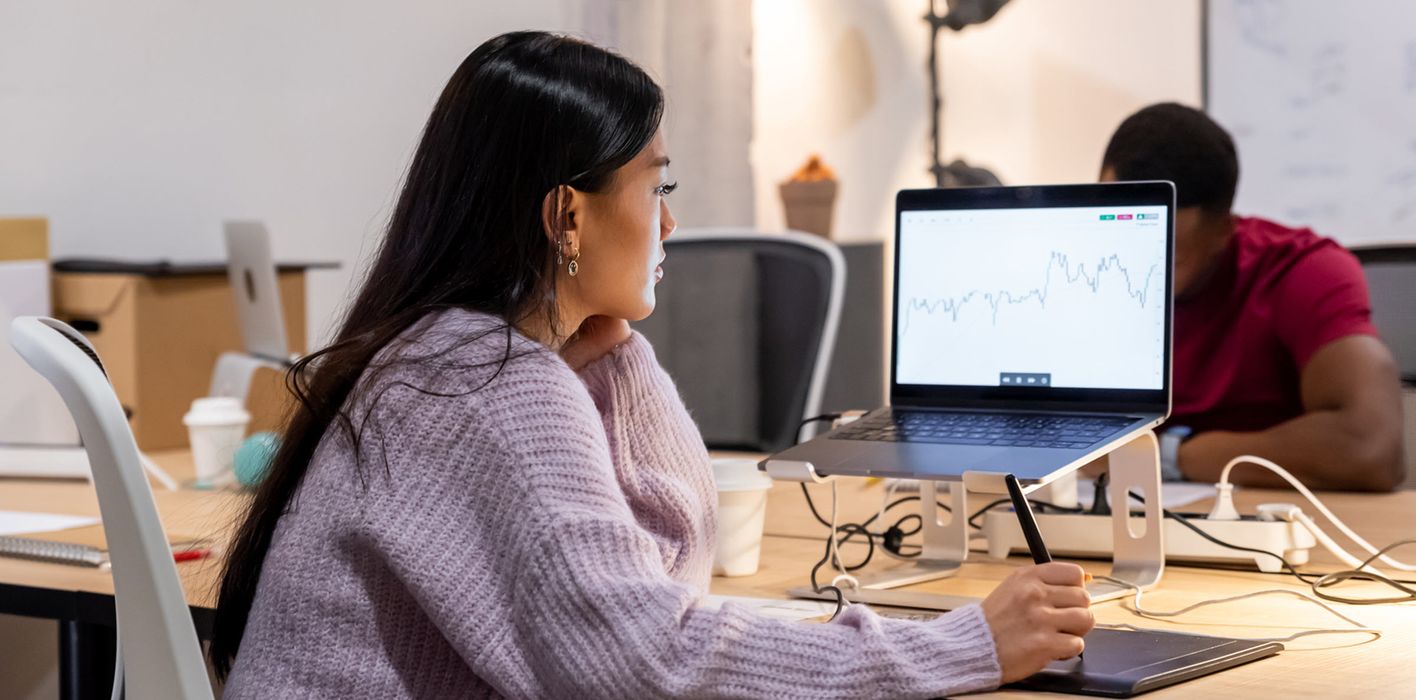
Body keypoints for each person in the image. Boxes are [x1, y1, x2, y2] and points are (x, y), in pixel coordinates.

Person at [210, 31, 1093, 698]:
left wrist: (614, 354)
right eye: (656, 186)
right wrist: (964, 646)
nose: (668, 224)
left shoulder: (445, 355)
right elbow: (649, 661)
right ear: (569, 216)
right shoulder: (492, 388)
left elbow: (658, 587)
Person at [1100, 103, 1404, 492]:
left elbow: (1370, 447)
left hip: (1252, 521)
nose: (1129, 264)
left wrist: (1166, 456)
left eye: (1167, 253)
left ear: (1224, 230)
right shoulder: (1064, 268)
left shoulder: (1302, 271)